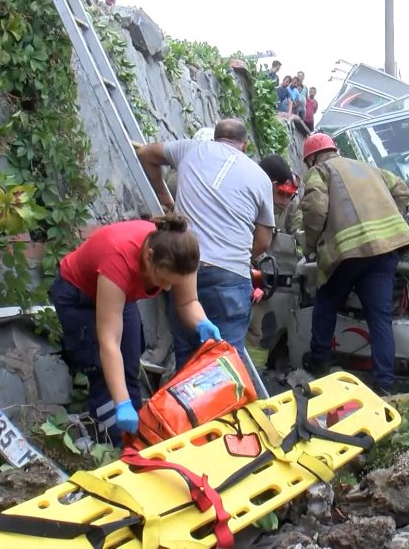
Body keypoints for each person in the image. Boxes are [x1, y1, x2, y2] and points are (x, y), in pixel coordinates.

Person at [49, 215, 220, 446]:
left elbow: (188, 302)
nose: (167, 288)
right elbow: (109, 341)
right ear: (148, 257)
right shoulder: (118, 258)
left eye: (173, 283)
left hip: (122, 293)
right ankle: (112, 450)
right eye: (162, 279)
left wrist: (202, 323)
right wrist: (121, 404)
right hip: (79, 297)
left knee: (129, 366)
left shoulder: (182, 253)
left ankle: (137, 444)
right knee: (104, 374)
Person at [136, 119, 275, 369]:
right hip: (231, 277)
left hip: (186, 265)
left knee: (187, 358)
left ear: (215, 138)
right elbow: (264, 240)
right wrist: (239, 255)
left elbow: (146, 154)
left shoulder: (191, 149)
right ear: (245, 145)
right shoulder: (261, 178)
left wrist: (163, 195)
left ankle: (187, 405)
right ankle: (225, 407)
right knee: (226, 363)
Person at [299, 133, 409, 395]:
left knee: (326, 302)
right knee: (380, 318)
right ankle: (384, 385)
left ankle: (318, 362)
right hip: (386, 250)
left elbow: (315, 209)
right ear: (334, 149)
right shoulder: (369, 168)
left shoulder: (321, 171)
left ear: (312, 158)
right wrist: (394, 218)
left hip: (349, 252)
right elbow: (401, 189)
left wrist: (312, 245)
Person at [246, 155, 303, 351]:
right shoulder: (251, 199)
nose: (285, 201)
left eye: (290, 196)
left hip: (264, 278)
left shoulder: (289, 204)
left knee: (261, 331)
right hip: (246, 271)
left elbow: (298, 226)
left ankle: (255, 374)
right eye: (281, 194)